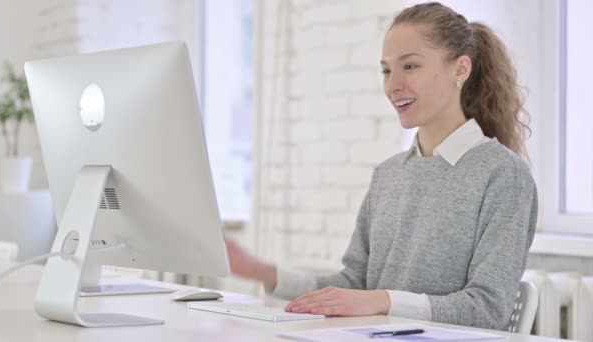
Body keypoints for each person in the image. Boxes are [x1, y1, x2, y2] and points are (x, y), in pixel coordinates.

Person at [226, 1, 537, 330]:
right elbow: (354, 285)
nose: (393, 85)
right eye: (387, 70)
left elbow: (488, 308)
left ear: (460, 69)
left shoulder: (503, 174)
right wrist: (260, 270)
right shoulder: (388, 175)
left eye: (410, 67)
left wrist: (383, 299)